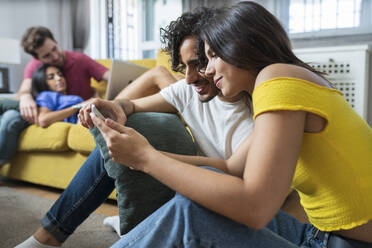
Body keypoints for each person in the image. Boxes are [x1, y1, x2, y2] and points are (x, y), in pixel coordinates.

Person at [93, 2, 372, 248]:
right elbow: (230, 168)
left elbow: (256, 207)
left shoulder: (276, 78)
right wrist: (137, 154)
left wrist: (146, 158)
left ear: (241, 44)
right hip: (319, 235)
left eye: (213, 55)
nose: (209, 69)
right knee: (203, 183)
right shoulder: (284, 86)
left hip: (345, 243)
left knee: (192, 215)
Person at [15, 7, 254, 248]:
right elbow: (130, 104)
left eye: (199, 63)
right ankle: (49, 236)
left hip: (217, 200)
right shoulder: (188, 90)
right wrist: (114, 106)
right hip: (185, 186)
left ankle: (136, 226)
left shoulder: (256, 110)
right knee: (123, 133)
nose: (189, 78)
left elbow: (231, 172)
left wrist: (145, 156)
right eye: (184, 68)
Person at [0, 64, 93, 166]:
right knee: (8, 112)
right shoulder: (48, 95)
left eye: (60, 74)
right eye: (51, 77)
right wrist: (77, 106)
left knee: (10, 115)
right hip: (32, 111)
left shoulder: (74, 97)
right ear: (44, 82)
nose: (59, 78)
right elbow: (43, 119)